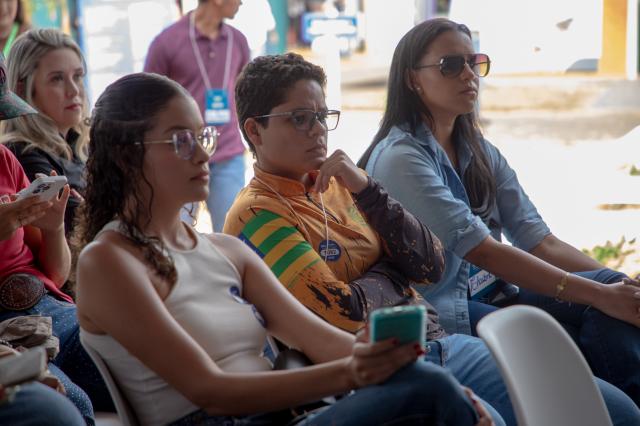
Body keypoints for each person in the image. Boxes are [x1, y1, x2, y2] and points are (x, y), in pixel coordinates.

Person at [223, 52, 640, 425]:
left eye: (322, 115)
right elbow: (343, 314)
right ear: (254, 131)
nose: (317, 130)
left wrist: (367, 190)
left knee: (618, 412)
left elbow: (430, 263)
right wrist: (392, 271)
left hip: (440, 344)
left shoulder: (342, 182)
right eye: (300, 118)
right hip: (386, 374)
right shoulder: (257, 214)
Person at [73, 71, 493, 426]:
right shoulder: (109, 260)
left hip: (281, 416)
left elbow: (323, 340)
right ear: (127, 157)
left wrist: (387, 361)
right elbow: (210, 390)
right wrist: (355, 372)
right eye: (180, 140)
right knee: (430, 390)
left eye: (202, 137)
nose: (203, 155)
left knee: (433, 385)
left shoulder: (225, 252)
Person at [358, 18, 640, 406]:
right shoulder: (401, 159)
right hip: (447, 311)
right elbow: (483, 251)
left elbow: (540, 240)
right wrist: (599, 294)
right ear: (412, 79)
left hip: (499, 294)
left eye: (474, 62)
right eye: (451, 65)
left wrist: (620, 289)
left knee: (612, 288)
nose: (469, 74)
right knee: (600, 299)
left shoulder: (478, 150)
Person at [0, 53, 110, 424]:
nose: (74, 90)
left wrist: (52, 228)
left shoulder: (5, 159)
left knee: (137, 357)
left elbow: (57, 275)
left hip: (49, 307)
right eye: (58, 78)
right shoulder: (26, 152)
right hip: (8, 327)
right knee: (70, 405)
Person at [144, 0, 249, 232]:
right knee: (176, 235)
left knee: (233, 236)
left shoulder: (238, 41)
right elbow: (147, 102)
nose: (242, 2)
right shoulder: (167, 43)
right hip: (181, 157)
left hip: (228, 154)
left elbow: (247, 95)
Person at [0, 28, 89, 236]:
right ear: (22, 90)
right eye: (57, 79)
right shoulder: (21, 153)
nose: (74, 90)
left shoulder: (83, 146)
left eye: (78, 76)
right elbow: (80, 226)